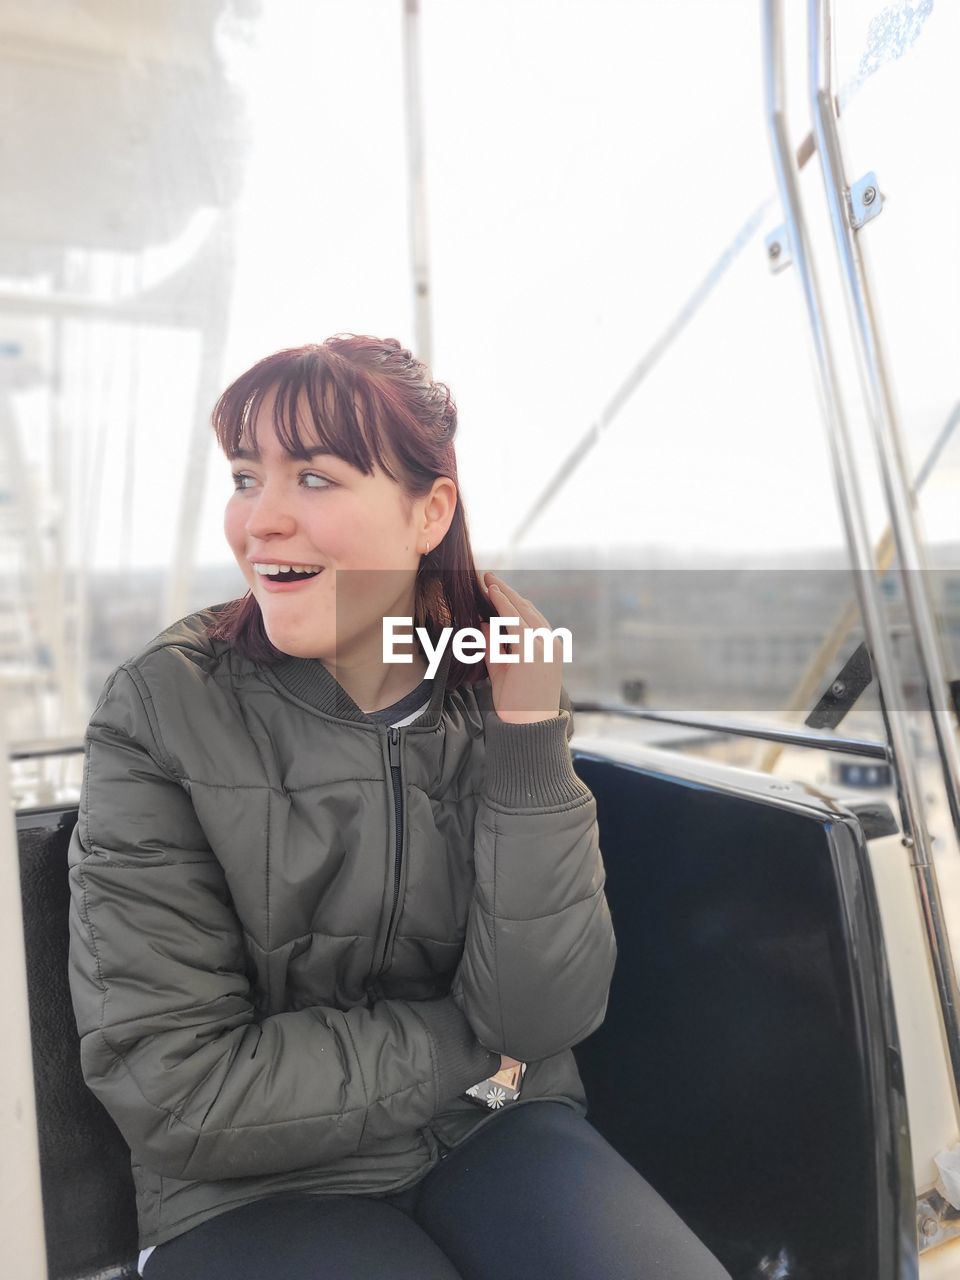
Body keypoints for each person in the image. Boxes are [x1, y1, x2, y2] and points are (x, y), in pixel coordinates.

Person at [68, 335, 731, 1279]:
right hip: (253, 1187)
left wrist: (529, 742)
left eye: (315, 479)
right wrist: (477, 1047)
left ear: (430, 511)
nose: (262, 521)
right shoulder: (162, 709)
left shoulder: (497, 691)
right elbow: (180, 1092)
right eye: (247, 477)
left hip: (496, 1129)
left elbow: (541, 1017)